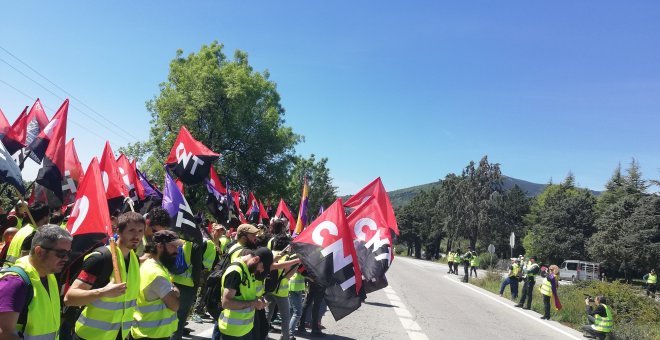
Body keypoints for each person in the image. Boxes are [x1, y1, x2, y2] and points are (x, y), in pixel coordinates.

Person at [64, 212, 145, 340]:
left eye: (140, 231)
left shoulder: (134, 258)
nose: (136, 236)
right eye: (131, 230)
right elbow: (70, 298)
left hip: (119, 335)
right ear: (118, 231)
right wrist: (103, 292)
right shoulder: (100, 258)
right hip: (90, 336)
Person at [0, 225, 72, 339]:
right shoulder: (15, 282)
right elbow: (4, 334)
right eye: (61, 253)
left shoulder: (50, 276)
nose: (66, 258)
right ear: (39, 251)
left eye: (69, 253)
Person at [130, 230, 182, 340]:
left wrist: (172, 290)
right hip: (153, 334)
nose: (176, 251)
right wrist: (174, 291)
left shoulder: (152, 265)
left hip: (145, 331)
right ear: (159, 246)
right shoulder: (157, 274)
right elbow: (175, 305)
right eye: (173, 246)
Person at [216, 247, 273, 340]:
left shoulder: (249, 269)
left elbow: (246, 294)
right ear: (256, 259)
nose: (261, 271)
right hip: (233, 331)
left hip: (246, 328)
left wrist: (260, 300)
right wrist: (253, 303)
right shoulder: (235, 272)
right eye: (262, 267)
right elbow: (226, 303)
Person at [4, 202, 50, 267]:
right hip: (18, 274)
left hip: (10, 270)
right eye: (49, 215)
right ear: (45, 217)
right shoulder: (33, 235)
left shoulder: (25, 229)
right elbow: (26, 261)